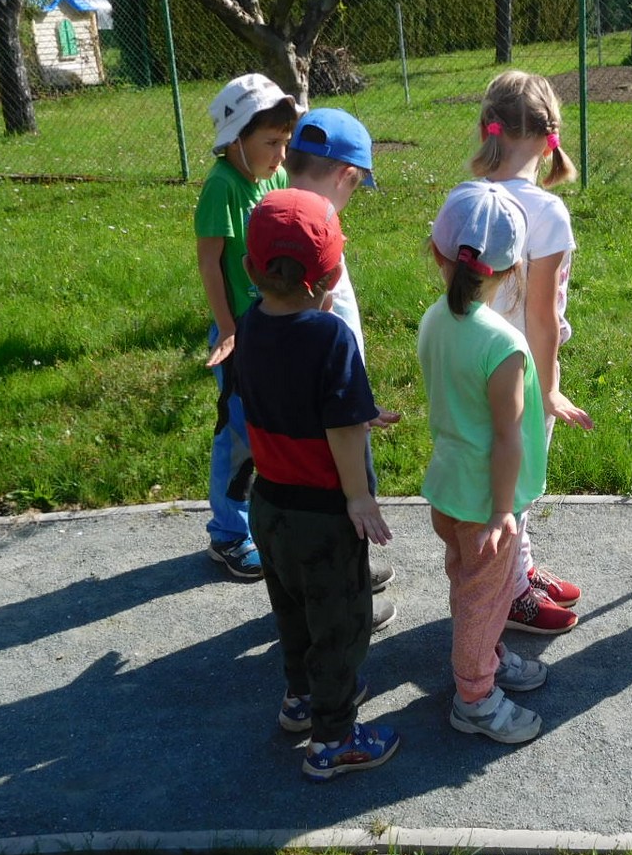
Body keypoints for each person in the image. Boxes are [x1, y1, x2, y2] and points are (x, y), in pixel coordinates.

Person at [234, 187, 400, 782]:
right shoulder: (331, 336)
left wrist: (358, 409)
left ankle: (300, 699)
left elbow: (286, 399)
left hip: (269, 505)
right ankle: (334, 740)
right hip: (324, 515)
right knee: (341, 626)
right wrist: (359, 496)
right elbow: (339, 429)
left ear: (250, 268)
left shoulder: (248, 327)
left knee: (294, 613)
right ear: (331, 276)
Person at [419, 180, 551, 744]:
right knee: (482, 597)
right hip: (486, 505)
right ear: (513, 268)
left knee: (472, 589)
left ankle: (487, 656)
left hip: (450, 490)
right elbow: (506, 437)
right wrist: (502, 512)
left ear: (437, 252)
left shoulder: (434, 320)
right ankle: (474, 697)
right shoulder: (502, 344)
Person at [471, 70, 593, 637]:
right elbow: (542, 318)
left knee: (501, 482)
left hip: (474, 366)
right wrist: (549, 389)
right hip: (523, 373)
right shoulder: (547, 212)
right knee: (515, 486)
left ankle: (518, 569)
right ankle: (511, 595)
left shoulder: (468, 198)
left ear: (487, 129)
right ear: (551, 138)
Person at [285, 107, 401, 627]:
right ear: (347, 175)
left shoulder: (276, 218)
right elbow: (328, 330)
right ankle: (346, 600)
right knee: (350, 499)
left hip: (293, 406)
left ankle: (327, 582)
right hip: (333, 401)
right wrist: (353, 401)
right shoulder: (320, 230)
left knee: (312, 506)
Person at [194, 73, 298, 580]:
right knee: (239, 436)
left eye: (285, 142)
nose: (281, 155)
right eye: (271, 143)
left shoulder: (273, 178)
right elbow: (210, 263)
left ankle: (269, 521)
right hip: (239, 337)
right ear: (236, 138)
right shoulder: (222, 186)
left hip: (273, 331)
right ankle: (229, 535)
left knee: (272, 432)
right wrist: (227, 328)